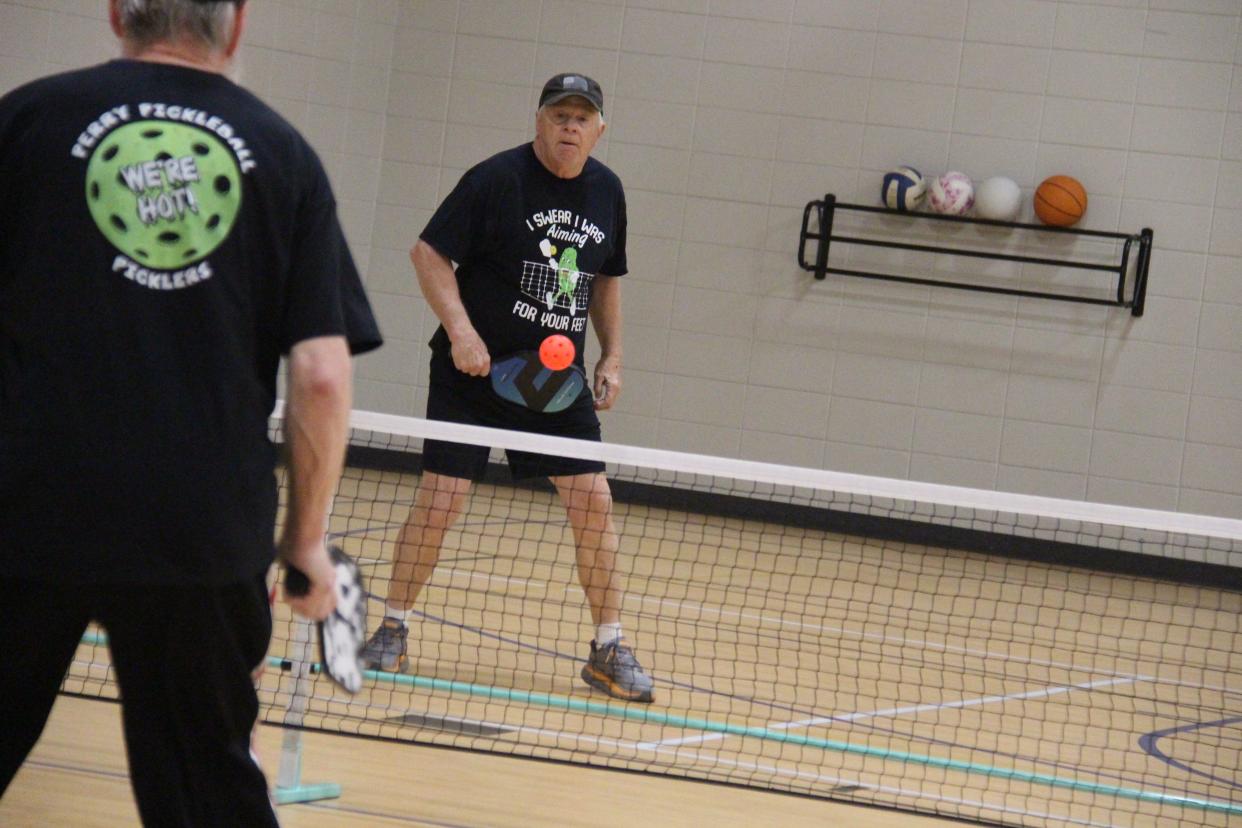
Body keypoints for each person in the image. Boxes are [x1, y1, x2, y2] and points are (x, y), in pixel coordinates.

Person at [0, 1, 382, 824]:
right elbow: (320, 373)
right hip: (199, 530)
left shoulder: (25, 121)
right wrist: (306, 542)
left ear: (116, 14)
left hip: (26, 506)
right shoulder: (283, 156)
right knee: (205, 795)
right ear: (236, 24)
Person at [360, 73, 654, 703]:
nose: (569, 127)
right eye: (559, 115)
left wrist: (614, 357)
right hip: (473, 375)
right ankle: (392, 628)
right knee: (441, 501)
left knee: (593, 502)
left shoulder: (608, 191)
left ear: (600, 129)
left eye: (582, 118)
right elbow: (427, 254)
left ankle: (609, 646)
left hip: (555, 383)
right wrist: (462, 332)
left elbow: (605, 279)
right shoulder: (495, 179)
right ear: (540, 120)